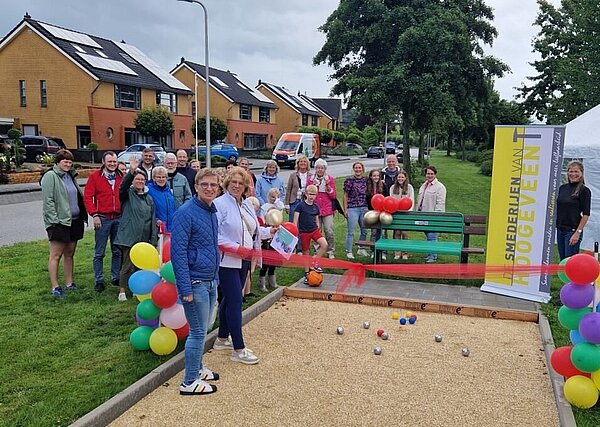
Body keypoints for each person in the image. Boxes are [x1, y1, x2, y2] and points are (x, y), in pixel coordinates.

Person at [212, 166, 275, 365]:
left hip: (245, 259)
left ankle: (222, 338)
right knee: (235, 301)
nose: (237, 186)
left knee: (230, 300)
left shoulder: (246, 204)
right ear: (227, 183)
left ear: (246, 185)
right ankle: (239, 349)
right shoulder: (218, 204)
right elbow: (215, 235)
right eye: (233, 182)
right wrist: (236, 248)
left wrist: (268, 232)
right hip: (227, 261)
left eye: (241, 183)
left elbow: (251, 229)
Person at [171, 168, 221, 395]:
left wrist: (216, 277)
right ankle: (189, 381)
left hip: (210, 279)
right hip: (195, 282)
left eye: (213, 185)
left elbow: (212, 247)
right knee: (198, 332)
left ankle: (198, 367)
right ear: (196, 187)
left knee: (204, 328)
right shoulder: (186, 213)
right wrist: (185, 287)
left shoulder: (212, 210)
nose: (209, 188)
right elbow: (178, 253)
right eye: (205, 185)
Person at [41, 149, 88, 298]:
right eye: (65, 161)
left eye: (70, 161)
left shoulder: (70, 176)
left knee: (70, 253)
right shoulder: (50, 176)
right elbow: (48, 201)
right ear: (57, 162)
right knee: (56, 255)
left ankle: (69, 283)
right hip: (59, 222)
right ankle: (55, 286)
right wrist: (55, 220)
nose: (68, 164)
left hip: (74, 221)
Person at [114, 156, 158, 301]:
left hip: (143, 238)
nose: (140, 181)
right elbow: (122, 186)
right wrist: (131, 172)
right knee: (127, 265)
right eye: (137, 179)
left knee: (140, 266)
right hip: (129, 236)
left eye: (142, 179)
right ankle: (122, 291)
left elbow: (151, 219)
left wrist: (152, 239)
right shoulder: (128, 194)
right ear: (133, 181)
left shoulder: (148, 198)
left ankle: (136, 289)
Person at [83, 151, 123, 293]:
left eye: (114, 161)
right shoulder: (95, 177)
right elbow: (88, 197)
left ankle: (115, 276)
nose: (112, 164)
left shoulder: (121, 176)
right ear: (103, 162)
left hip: (118, 217)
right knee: (99, 252)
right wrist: (94, 214)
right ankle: (99, 280)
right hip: (103, 218)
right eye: (110, 161)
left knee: (117, 250)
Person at [556, 160, 591, 260]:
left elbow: (586, 214)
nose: (573, 174)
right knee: (562, 261)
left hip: (572, 231)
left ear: (581, 173)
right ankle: (563, 276)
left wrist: (577, 232)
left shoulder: (584, 190)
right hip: (561, 230)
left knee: (571, 262)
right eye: (571, 171)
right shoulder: (562, 188)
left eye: (576, 172)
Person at [293, 184, 327, 284]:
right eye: (310, 194)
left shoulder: (316, 206)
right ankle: (307, 274)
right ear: (306, 194)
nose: (312, 196)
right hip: (304, 232)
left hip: (314, 230)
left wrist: (318, 228)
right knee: (306, 253)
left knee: (324, 244)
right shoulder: (300, 205)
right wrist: (296, 232)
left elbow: (317, 220)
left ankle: (315, 262)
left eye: (314, 194)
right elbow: (295, 220)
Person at [307, 158, 337, 259]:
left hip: (327, 209)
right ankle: (317, 250)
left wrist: (328, 185)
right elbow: (307, 194)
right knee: (316, 230)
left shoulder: (330, 179)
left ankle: (330, 250)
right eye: (318, 168)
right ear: (315, 169)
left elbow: (333, 196)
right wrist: (313, 186)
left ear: (325, 169)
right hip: (314, 209)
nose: (320, 170)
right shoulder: (311, 179)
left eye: (322, 168)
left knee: (329, 230)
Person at [416, 166, 446, 263]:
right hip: (422, 215)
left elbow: (440, 203)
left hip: (433, 216)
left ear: (435, 174)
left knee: (431, 235)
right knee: (429, 235)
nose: (429, 175)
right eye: (428, 173)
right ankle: (432, 253)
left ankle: (432, 256)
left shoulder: (440, 187)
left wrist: (436, 217)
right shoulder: (423, 185)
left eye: (431, 174)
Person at [259, 189, 285, 290]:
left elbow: (281, 208)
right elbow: (262, 218)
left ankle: (272, 279)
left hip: (277, 232)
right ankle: (262, 281)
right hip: (267, 232)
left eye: (276, 197)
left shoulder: (278, 205)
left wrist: (277, 200)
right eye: (272, 197)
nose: (274, 199)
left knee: (274, 259)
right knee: (266, 260)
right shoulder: (264, 207)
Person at [343, 161, 368, 259]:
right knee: (351, 231)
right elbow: (345, 195)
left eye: (359, 168)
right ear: (354, 169)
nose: (358, 169)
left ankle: (361, 248)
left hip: (364, 207)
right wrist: (345, 209)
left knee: (364, 230)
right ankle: (348, 251)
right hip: (353, 208)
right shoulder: (349, 181)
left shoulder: (366, 180)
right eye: (356, 168)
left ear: (362, 169)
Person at [389, 169, 415, 260]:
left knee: (404, 233)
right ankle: (397, 252)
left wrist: (409, 212)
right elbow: (391, 200)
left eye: (402, 177)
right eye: (399, 177)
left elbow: (411, 200)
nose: (400, 179)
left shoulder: (409, 187)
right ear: (396, 178)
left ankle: (405, 252)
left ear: (405, 178)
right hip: (396, 213)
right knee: (397, 233)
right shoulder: (392, 188)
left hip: (406, 214)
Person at [147, 166, 176, 233]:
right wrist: (155, 220)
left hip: (170, 228)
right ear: (154, 178)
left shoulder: (168, 191)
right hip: (156, 228)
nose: (161, 179)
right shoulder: (148, 189)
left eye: (163, 177)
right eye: (158, 177)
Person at [285, 155, 312, 222]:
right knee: (293, 222)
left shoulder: (311, 176)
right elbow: (288, 190)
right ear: (298, 163)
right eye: (301, 161)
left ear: (307, 164)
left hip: (305, 201)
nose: (303, 163)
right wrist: (287, 204)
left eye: (304, 162)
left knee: (304, 222)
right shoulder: (293, 175)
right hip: (294, 202)